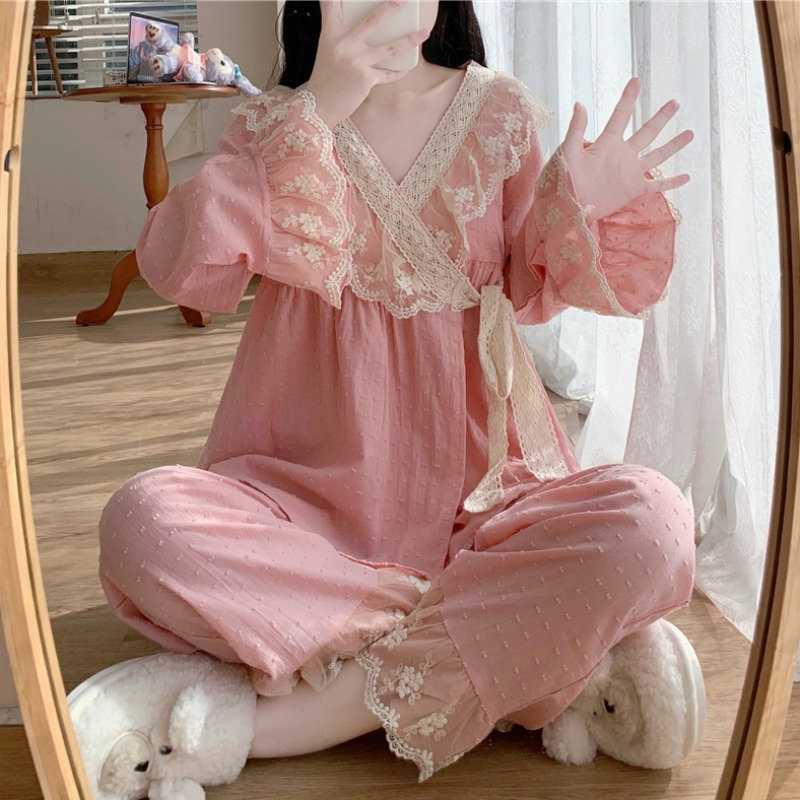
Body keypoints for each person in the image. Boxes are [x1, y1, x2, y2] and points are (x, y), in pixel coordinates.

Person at [68, 0, 703, 795]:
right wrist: (315, 112)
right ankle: (515, 649)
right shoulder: (279, 126)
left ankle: (308, 707)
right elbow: (178, 267)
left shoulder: (498, 112)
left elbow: (529, 284)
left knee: (656, 522)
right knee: (142, 526)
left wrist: (581, 207)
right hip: (303, 516)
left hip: (483, 511)